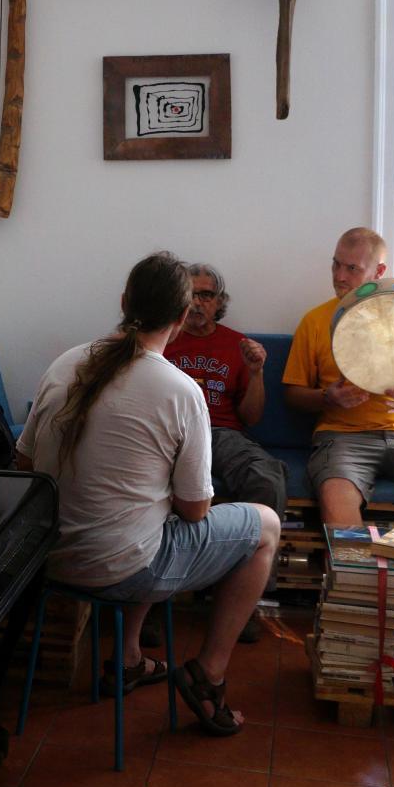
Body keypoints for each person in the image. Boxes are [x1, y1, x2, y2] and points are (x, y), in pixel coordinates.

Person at [15, 251, 279, 736]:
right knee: (266, 526)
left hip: (48, 560)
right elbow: (196, 510)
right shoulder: (180, 390)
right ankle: (209, 675)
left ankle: (130, 659)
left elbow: (24, 465)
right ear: (181, 317)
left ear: (123, 302)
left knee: (147, 519)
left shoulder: (64, 362)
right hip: (122, 569)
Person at [164, 263, 287, 642]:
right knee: (146, 478)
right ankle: (150, 600)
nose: (197, 303)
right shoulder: (163, 338)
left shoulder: (239, 345)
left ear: (220, 302)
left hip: (222, 434)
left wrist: (256, 372)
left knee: (267, 476)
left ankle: (249, 599)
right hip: (174, 432)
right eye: (190, 294)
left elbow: (251, 418)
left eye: (206, 295)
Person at [283, 227, 394, 525]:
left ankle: (387, 556)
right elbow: (292, 396)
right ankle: (354, 557)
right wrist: (327, 398)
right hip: (343, 437)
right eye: (336, 264)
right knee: (338, 507)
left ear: (379, 272)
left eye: (352, 268)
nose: (339, 276)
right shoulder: (314, 321)